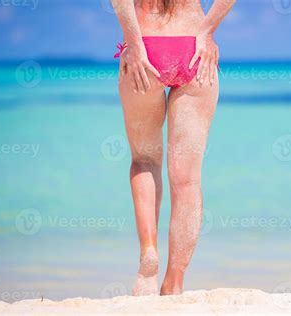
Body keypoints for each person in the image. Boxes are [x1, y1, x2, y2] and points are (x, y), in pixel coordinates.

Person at [111, 0, 236, 296]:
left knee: (144, 159)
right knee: (187, 180)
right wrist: (206, 33)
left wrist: (134, 44)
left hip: (146, 44)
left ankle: (148, 254)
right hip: (194, 49)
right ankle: (174, 284)